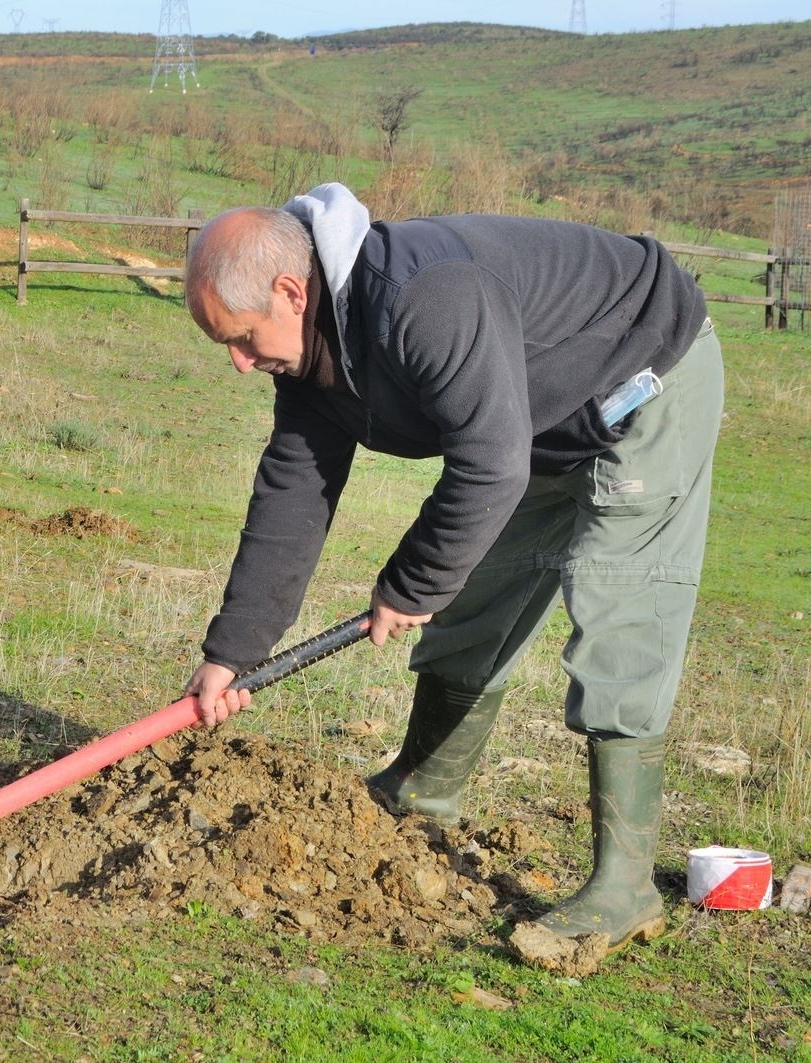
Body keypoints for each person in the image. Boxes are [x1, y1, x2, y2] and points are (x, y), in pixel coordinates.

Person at [182, 184, 721, 954]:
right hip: (535, 420)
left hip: (643, 374)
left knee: (619, 614)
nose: (239, 363)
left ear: (290, 291)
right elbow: (293, 491)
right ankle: (425, 788)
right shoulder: (310, 357)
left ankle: (624, 884)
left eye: (239, 337)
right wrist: (231, 652)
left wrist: (408, 585)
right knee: (476, 601)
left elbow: (490, 469)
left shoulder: (422, 297)